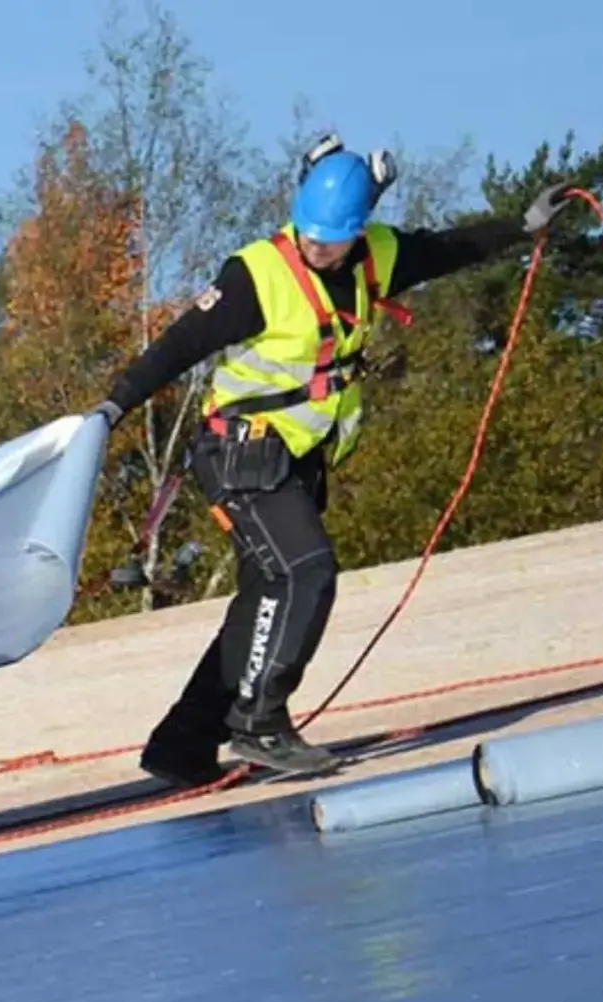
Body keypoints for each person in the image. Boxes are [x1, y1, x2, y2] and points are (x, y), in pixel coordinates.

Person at [79, 136, 569, 785]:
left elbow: (447, 249)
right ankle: (259, 723)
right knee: (306, 572)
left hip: (297, 459)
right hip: (240, 452)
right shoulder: (257, 276)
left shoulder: (379, 256)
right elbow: (177, 346)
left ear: (359, 230)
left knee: (265, 596)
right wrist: (112, 407)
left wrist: (521, 227)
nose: (318, 248)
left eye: (332, 241)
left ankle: (182, 744)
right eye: (310, 235)